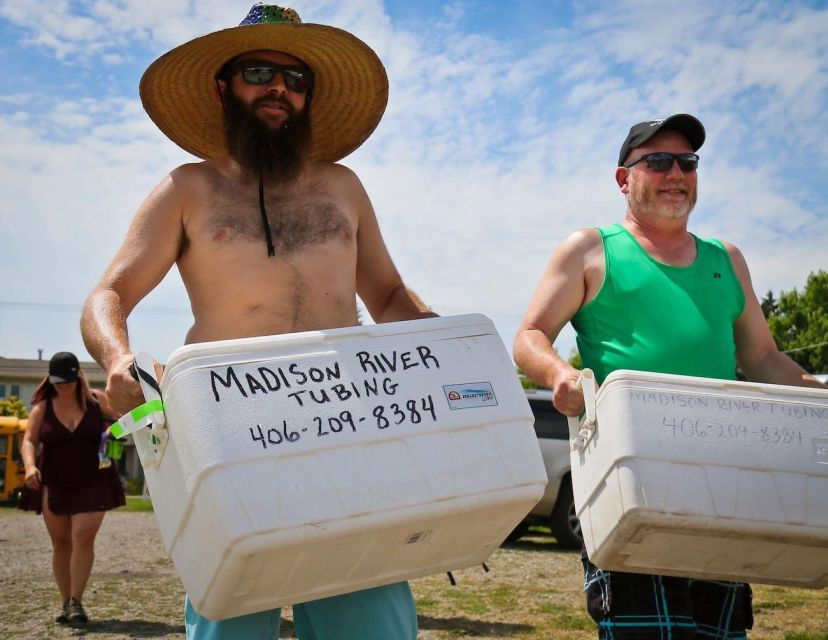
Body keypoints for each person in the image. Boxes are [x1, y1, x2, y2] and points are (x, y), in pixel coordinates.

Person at [80, 4, 434, 639]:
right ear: (224, 87)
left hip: (345, 427)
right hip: (228, 435)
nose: (280, 89)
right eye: (260, 71)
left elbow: (387, 296)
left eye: (296, 80)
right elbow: (108, 293)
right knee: (232, 622)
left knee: (370, 620)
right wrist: (116, 358)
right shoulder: (187, 189)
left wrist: (443, 336)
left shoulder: (343, 188)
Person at [513, 113, 827, 640]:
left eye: (688, 162)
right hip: (629, 497)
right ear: (623, 179)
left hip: (722, 499)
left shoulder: (725, 260)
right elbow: (529, 336)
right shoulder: (590, 249)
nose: (676, 173)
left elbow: (764, 359)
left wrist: (819, 394)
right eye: (657, 161)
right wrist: (561, 376)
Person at [19, 351, 126, 628]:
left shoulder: (96, 399)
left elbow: (124, 422)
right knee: (61, 543)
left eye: (68, 380)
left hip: (94, 480)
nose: (64, 386)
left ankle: (77, 601)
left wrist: (119, 429)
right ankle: (66, 601)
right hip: (54, 482)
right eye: (58, 382)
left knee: (82, 536)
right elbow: (29, 441)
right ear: (50, 381)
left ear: (78, 376)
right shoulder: (42, 407)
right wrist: (30, 467)